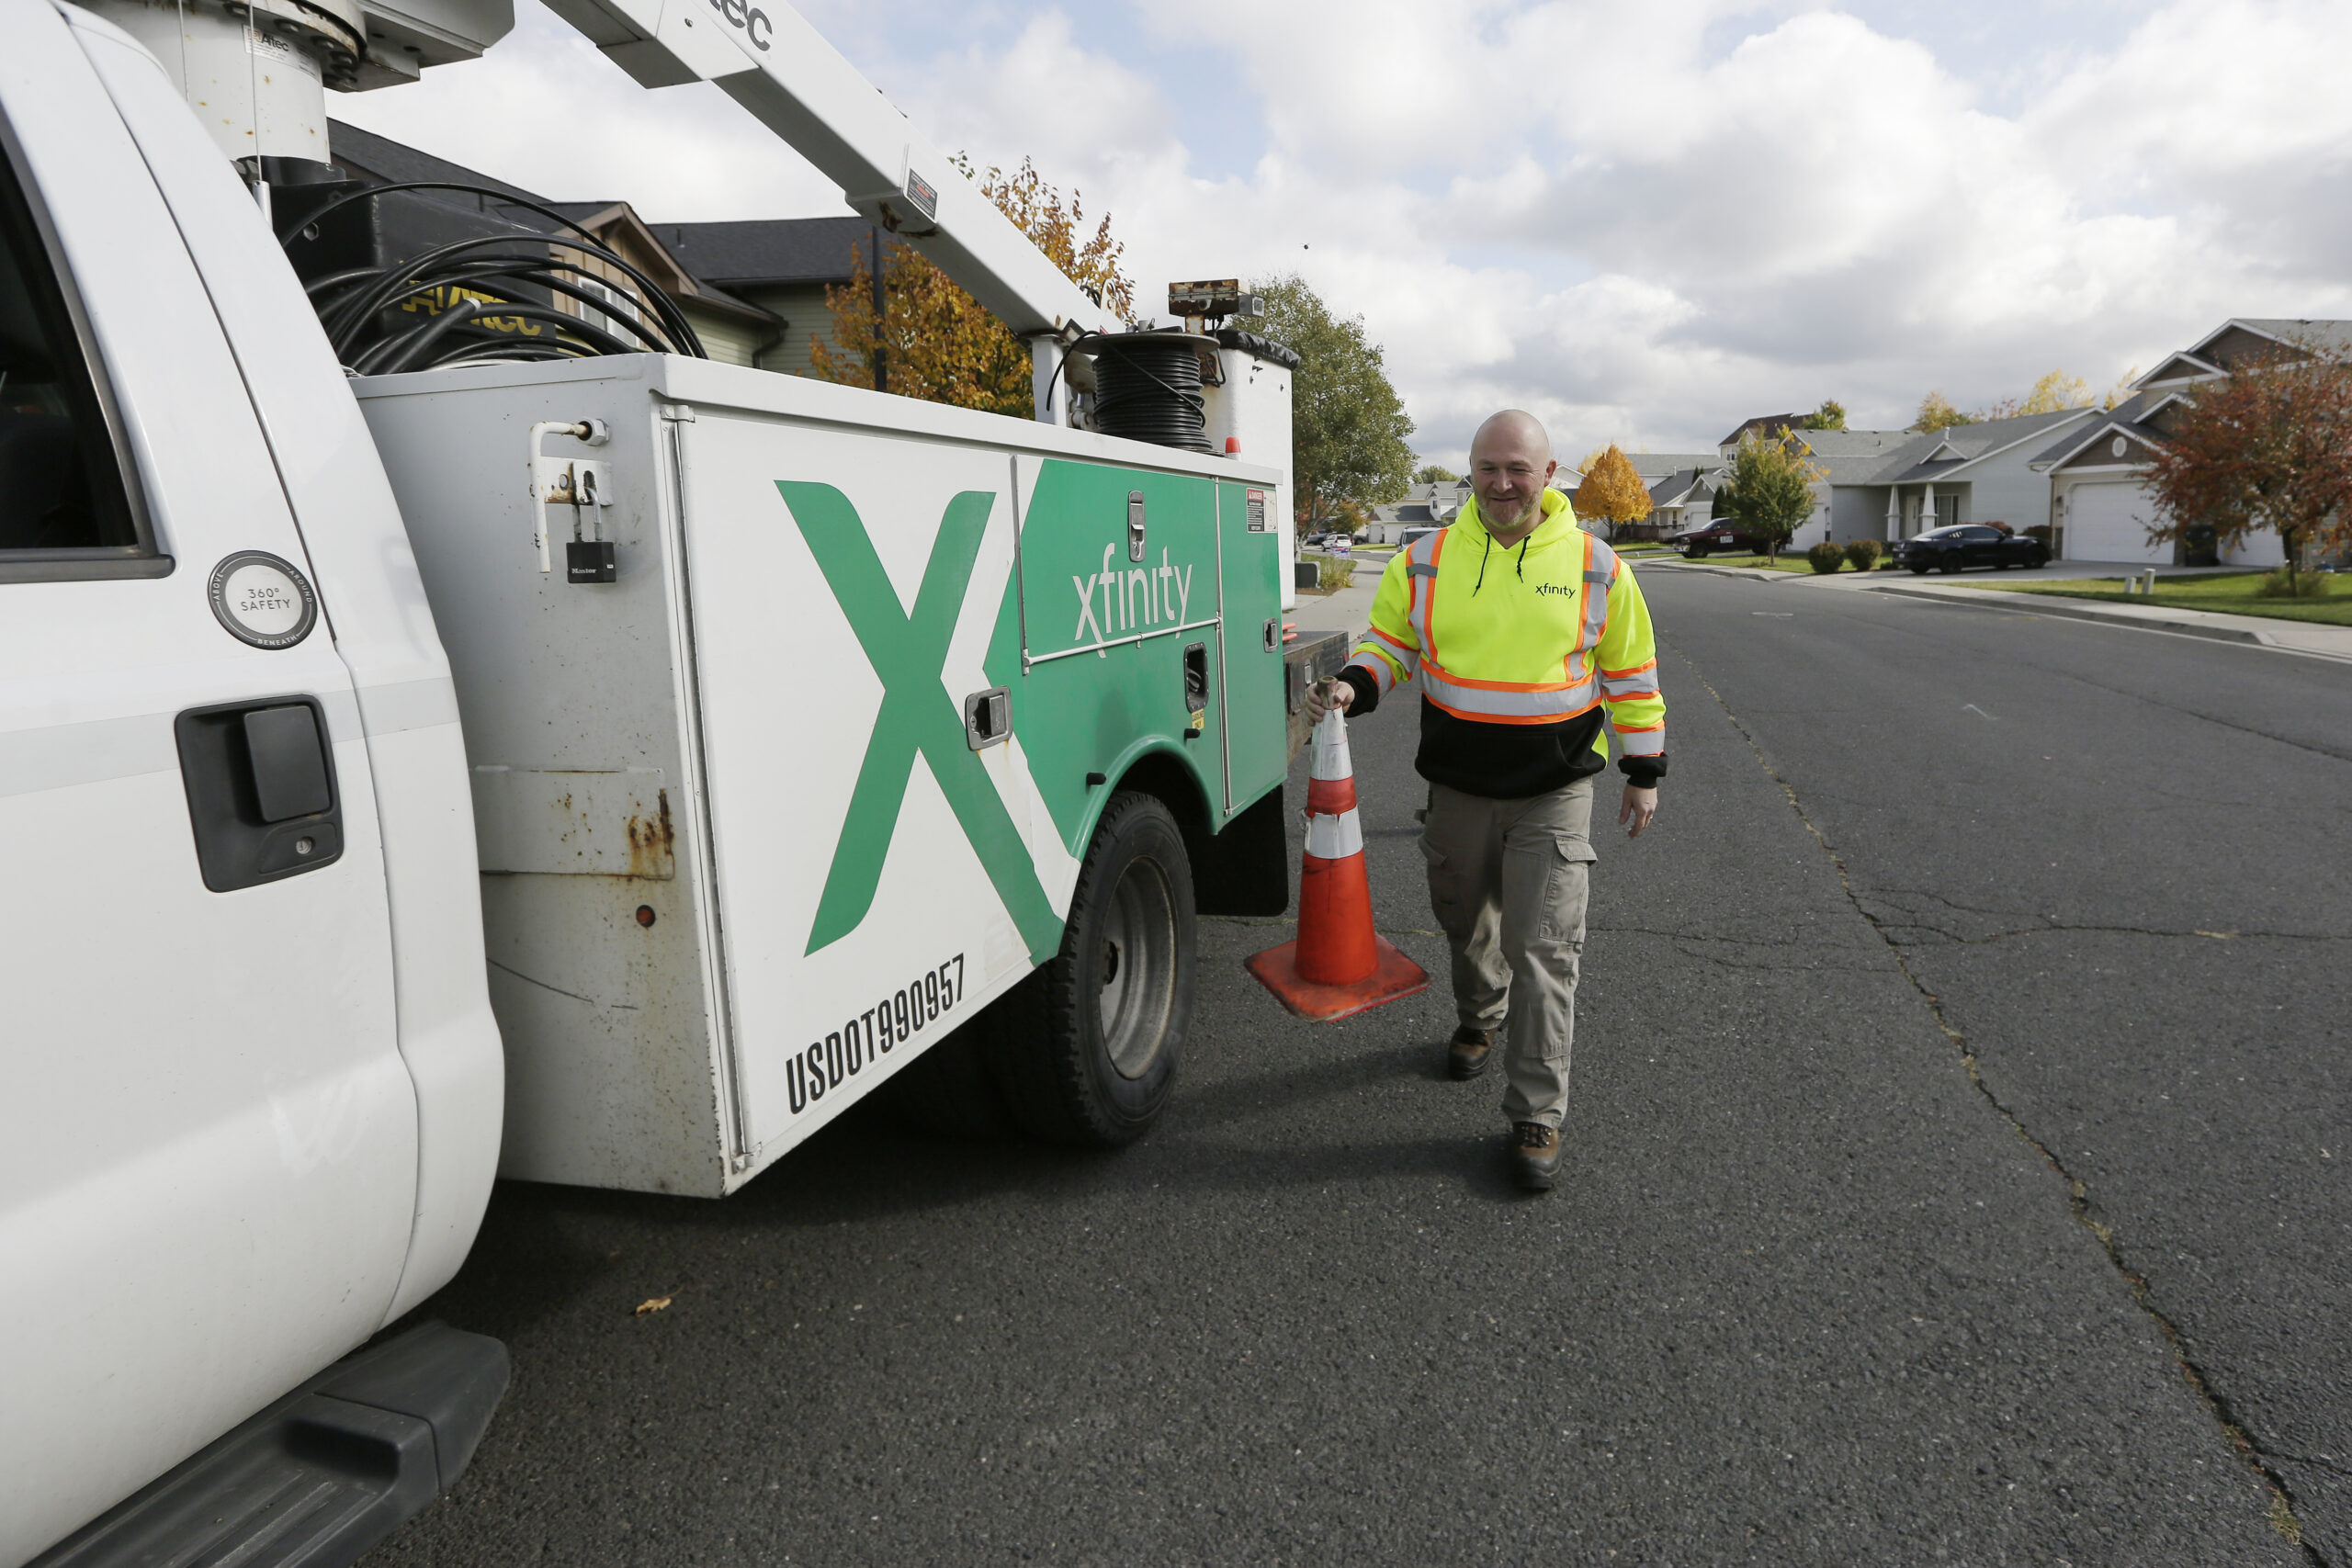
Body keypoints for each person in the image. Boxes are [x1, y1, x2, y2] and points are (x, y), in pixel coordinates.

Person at [1307, 410, 1665, 1190]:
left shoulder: (1597, 565)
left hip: (1554, 792)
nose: (1502, 483)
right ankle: (1480, 1013)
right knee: (1465, 921)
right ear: (1469, 472)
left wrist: (1645, 770)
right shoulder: (1425, 560)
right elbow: (1390, 644)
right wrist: (1355, 683)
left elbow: (1632, 673)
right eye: (1487, 468)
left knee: (1545, 948)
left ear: (1550, 472)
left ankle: (1537, 1111)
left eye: (1518, 468)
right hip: (1458, 788)